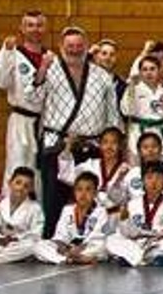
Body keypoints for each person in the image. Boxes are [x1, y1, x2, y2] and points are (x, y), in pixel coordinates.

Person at [22, 26, 121, 231]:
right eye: (70, 46)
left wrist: (113, 145)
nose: (74, 50)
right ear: (61, 46)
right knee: (54, 199)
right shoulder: (50, 70)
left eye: (79, 46)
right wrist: (42, 69)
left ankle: (88, 237)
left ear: (87, 47)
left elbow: (112, 114)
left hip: (91, 146)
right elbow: (32, 99)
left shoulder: (102, 75)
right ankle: (51, 237)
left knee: (90, 198)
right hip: (57, 143)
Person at [0, 10, 51, 191]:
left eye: (39, 25)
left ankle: (38, 208)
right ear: (22, 28)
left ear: (45, 28)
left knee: (41, 171)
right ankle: (12, 207)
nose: (35, 29)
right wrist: (6, 53)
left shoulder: (51, 58)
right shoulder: (14, 54)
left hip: (45, 122)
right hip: (20, 120)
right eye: (30, 25)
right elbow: (0, 81)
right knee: (16, 166)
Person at [104, 161, 163, 268]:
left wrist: (151, 236)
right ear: (142, 181)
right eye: (149, 178)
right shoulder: (132, 204)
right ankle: (147, 258)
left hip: (156, 243)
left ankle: (135, 258)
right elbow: (126, 232)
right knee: (111, 239)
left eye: (159, 178)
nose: (154, 182)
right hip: (136, 242)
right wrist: (124, 220)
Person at [34, 172, 113, 265]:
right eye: (79, 189)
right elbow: (60, 236)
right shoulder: (67, 210)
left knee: (104, 246)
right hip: (69, 250)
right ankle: (66, 259)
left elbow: (98, 238)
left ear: (95, 193)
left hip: (88, 248)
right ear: (74, 192)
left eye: (88, 189)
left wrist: (80, 248)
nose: (83, 194)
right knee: (39, 245)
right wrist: (65, 248)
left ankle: (71, 258)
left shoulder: (101, 212)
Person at [119, 53, 163, 153]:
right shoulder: (134, 89)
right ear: (140, 73)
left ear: (159, 71)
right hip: (139, 133)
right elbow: (126, 112)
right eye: (145, 69)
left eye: (152, 69)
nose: (149, 73)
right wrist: (131, 89)